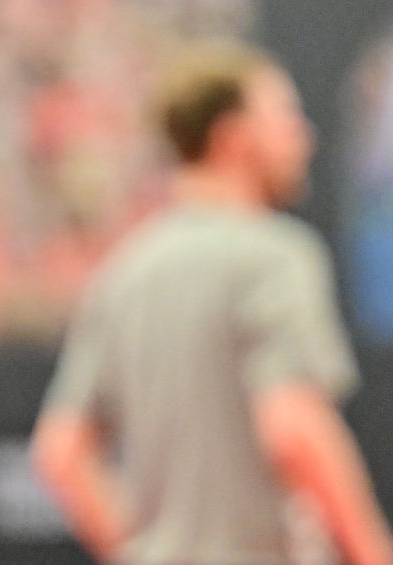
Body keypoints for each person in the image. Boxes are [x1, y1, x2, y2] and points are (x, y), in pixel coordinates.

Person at [33, 41, 392, 565]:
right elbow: (294, 426)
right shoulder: (274, 256)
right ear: (233, 137)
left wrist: (139, 551)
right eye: (285, 117)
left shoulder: (123, 275)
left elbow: (61, 452)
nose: (304, 137)